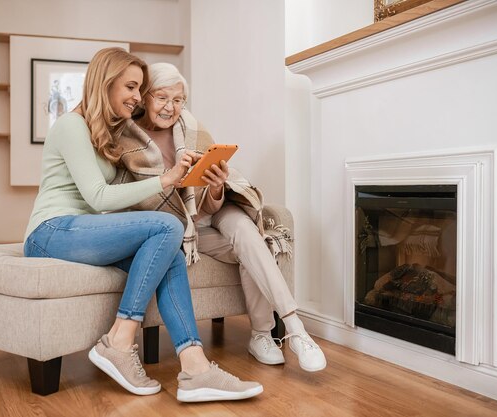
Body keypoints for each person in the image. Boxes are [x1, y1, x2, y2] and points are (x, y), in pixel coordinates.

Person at [23, 48, 263, 403]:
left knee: (171, 253)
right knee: (167, 226)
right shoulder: (71, 125)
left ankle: (195, 368)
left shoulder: (103, 130)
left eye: (140, 89)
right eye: (132, 87)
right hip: (51, 232)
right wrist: (167, 180)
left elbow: (160, 126)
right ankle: (119, 341)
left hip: (81, 231)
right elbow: (99, 198)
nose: (138, 97)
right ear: (106, 84)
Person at [115, 62, 327, 373]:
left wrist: (215, 186)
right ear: (145, 97)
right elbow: (141, 201)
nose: (170, 107)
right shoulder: (128, 141)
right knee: (255, 248)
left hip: (209, 217)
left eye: (178, 100)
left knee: (245, 230)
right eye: (161, 98)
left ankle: (293, 330)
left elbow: (210, 206)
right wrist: (174, 180)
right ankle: (263, 332)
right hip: (179, 229)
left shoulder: (192, 128)